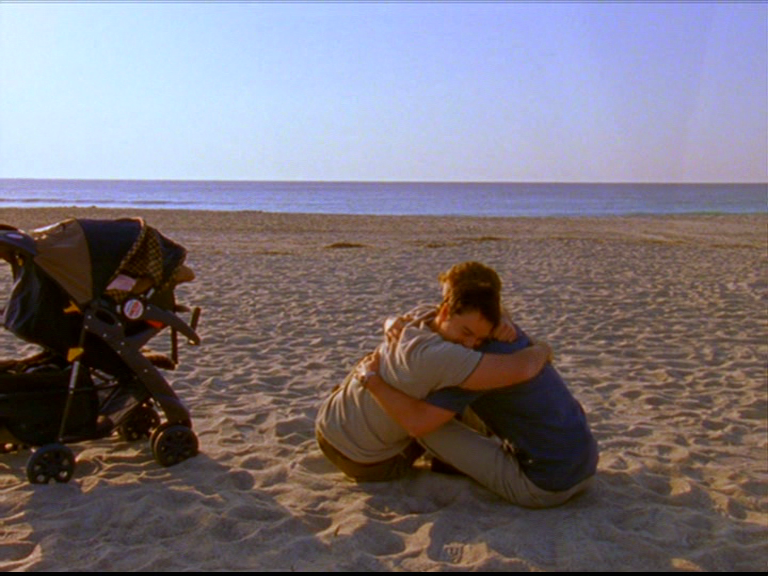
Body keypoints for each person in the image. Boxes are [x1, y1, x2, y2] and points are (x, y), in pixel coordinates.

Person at [361, 262, 599, 507]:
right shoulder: (508, 334)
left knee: (431, 428)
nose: (442, 306)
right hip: (586, 466)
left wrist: (372, 380)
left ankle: (446, 463)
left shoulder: (472, 361)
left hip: (545, 486)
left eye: (449, 298)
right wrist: (391, 322)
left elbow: (418, 424)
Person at [315, 280, 553, 483]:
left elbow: (480, 316)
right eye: (466, 332)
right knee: (460, 393)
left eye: (479, 338)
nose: (469, 344)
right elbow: (522, 368)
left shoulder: (422, 316)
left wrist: (502, 319)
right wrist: (542, 347)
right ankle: (449, 462)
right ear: (446, 312)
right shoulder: (440, 356)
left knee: (457, 381)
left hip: (327, 426)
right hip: (366, 463)